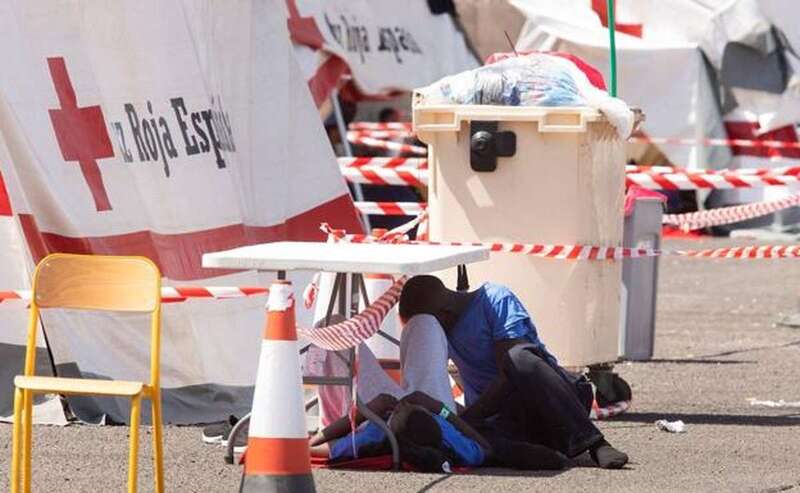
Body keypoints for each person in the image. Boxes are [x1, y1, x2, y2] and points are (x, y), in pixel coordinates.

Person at [397, 275, 630, 469]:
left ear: (444, 313)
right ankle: (536, 454)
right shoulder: (444, 326)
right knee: (461, 438)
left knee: (518, 358)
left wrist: (467, 418)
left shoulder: (495, 298)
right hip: (510, 419)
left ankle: (594, 441)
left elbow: (507, 375)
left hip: (555, 401)